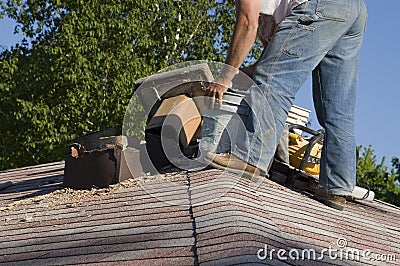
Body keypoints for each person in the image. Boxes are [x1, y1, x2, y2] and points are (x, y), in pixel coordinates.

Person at [205, 0, 368, 210]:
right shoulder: (274, 15)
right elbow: (268, 62)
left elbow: (247, 24)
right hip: (354, 10)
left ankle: (251, 158)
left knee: (274, 82)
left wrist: (224, 78)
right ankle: (337, 185)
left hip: (321, 5)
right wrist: (235, 76)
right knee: (337, 107)